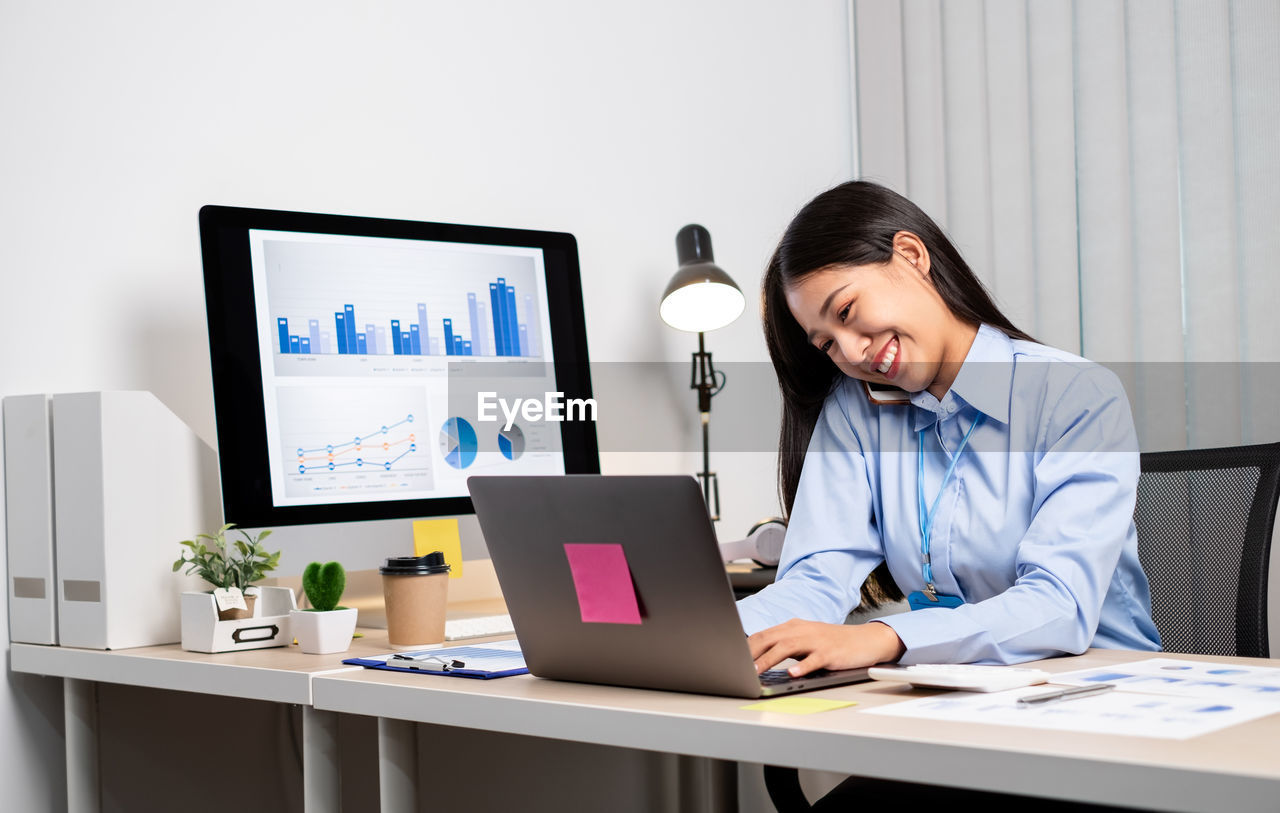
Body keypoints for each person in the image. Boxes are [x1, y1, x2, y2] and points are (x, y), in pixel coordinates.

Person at [738, 180, 1161, 677]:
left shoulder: (1075, 395)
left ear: (912, 256)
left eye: (847, 312)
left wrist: (885, 638)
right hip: (961, 687)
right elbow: (817, 578)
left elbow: (1058, 602)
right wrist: (711, 632)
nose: (851, 353)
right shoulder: (855, 412)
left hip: (1102, 684)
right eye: (827, 344)